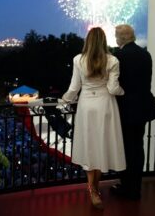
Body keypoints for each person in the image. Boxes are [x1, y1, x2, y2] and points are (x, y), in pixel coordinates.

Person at [62, 27, 125, 209]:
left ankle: (93, 189)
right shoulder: (113, 60)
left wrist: (64, 100)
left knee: (90, 146)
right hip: (106, 105)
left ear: (87, 41)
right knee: (101, 145)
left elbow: (74, 88)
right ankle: (94, 188)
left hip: (87, 106)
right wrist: (123, 92)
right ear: (104, 41)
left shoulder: (78, 60)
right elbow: (114, 89)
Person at [111, 24, 155, 200]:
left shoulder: (119, 57)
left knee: (126, 150)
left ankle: (127, 188)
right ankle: (135, 188)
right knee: (138, 148)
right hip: (143, 108)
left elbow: (115, 86)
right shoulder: (145, 54)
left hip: (126, 110)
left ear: (119, 38)